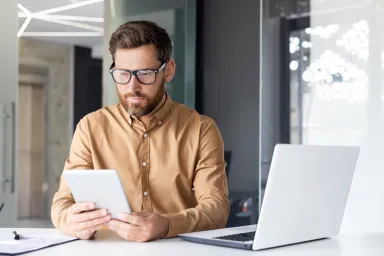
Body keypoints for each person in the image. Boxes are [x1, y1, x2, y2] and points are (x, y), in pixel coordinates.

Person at [51, 20, 229, 242]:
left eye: (145, 73)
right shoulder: (90, 127)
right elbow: (62, 203)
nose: (132, 87)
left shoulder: (201, 130)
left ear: (169, 71)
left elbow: (217, 209)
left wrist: (166, 225)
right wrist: (70, 221)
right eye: (122, 73)